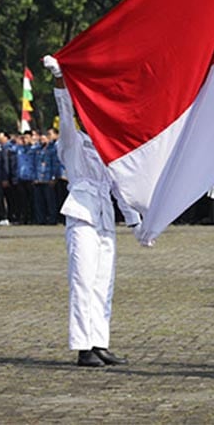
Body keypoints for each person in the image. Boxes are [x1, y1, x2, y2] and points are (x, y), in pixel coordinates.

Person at [43, 55, 142, 367]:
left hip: (103, 219)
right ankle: (83, 347)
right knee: (83, 280)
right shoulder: (72, 143)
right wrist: (60, 80)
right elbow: (65, 111)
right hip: (82, 215)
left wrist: (136, 221)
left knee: (103, 282)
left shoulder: (106, 148)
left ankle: (100, 342)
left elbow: (119, 187)